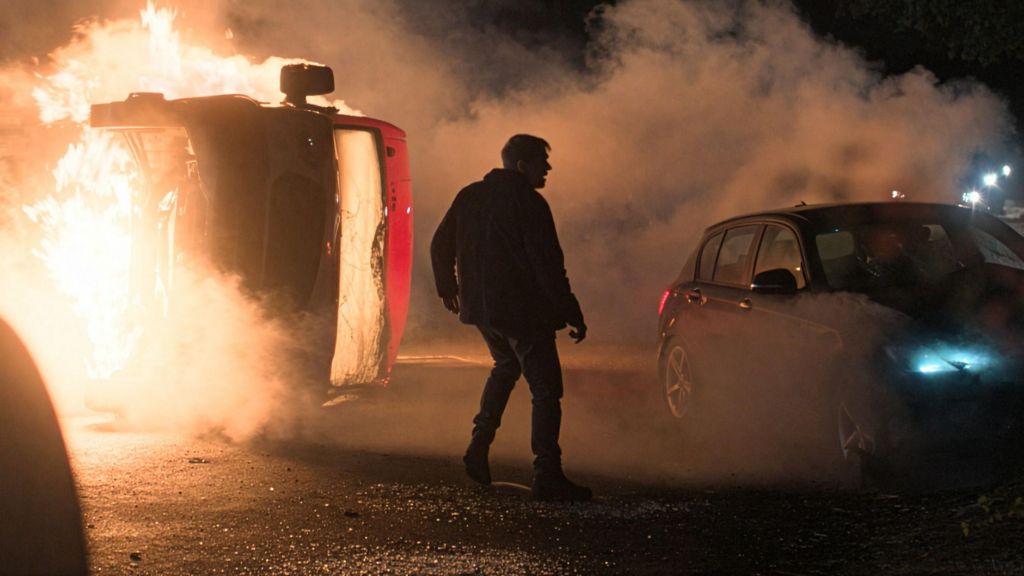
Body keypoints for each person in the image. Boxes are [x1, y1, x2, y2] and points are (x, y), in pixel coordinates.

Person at [430, 134, 591, 502]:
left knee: (505, 367)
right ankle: (547, 473)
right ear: (522, 166)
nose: (548, 169)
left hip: (482, 311)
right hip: (523, 312)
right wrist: (570, 311)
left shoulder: (469, 195)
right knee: (547, 390)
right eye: (541, 162)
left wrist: (449, 288)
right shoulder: (530, 204)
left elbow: (439, 245)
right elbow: (548, 265)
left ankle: (478, 445)